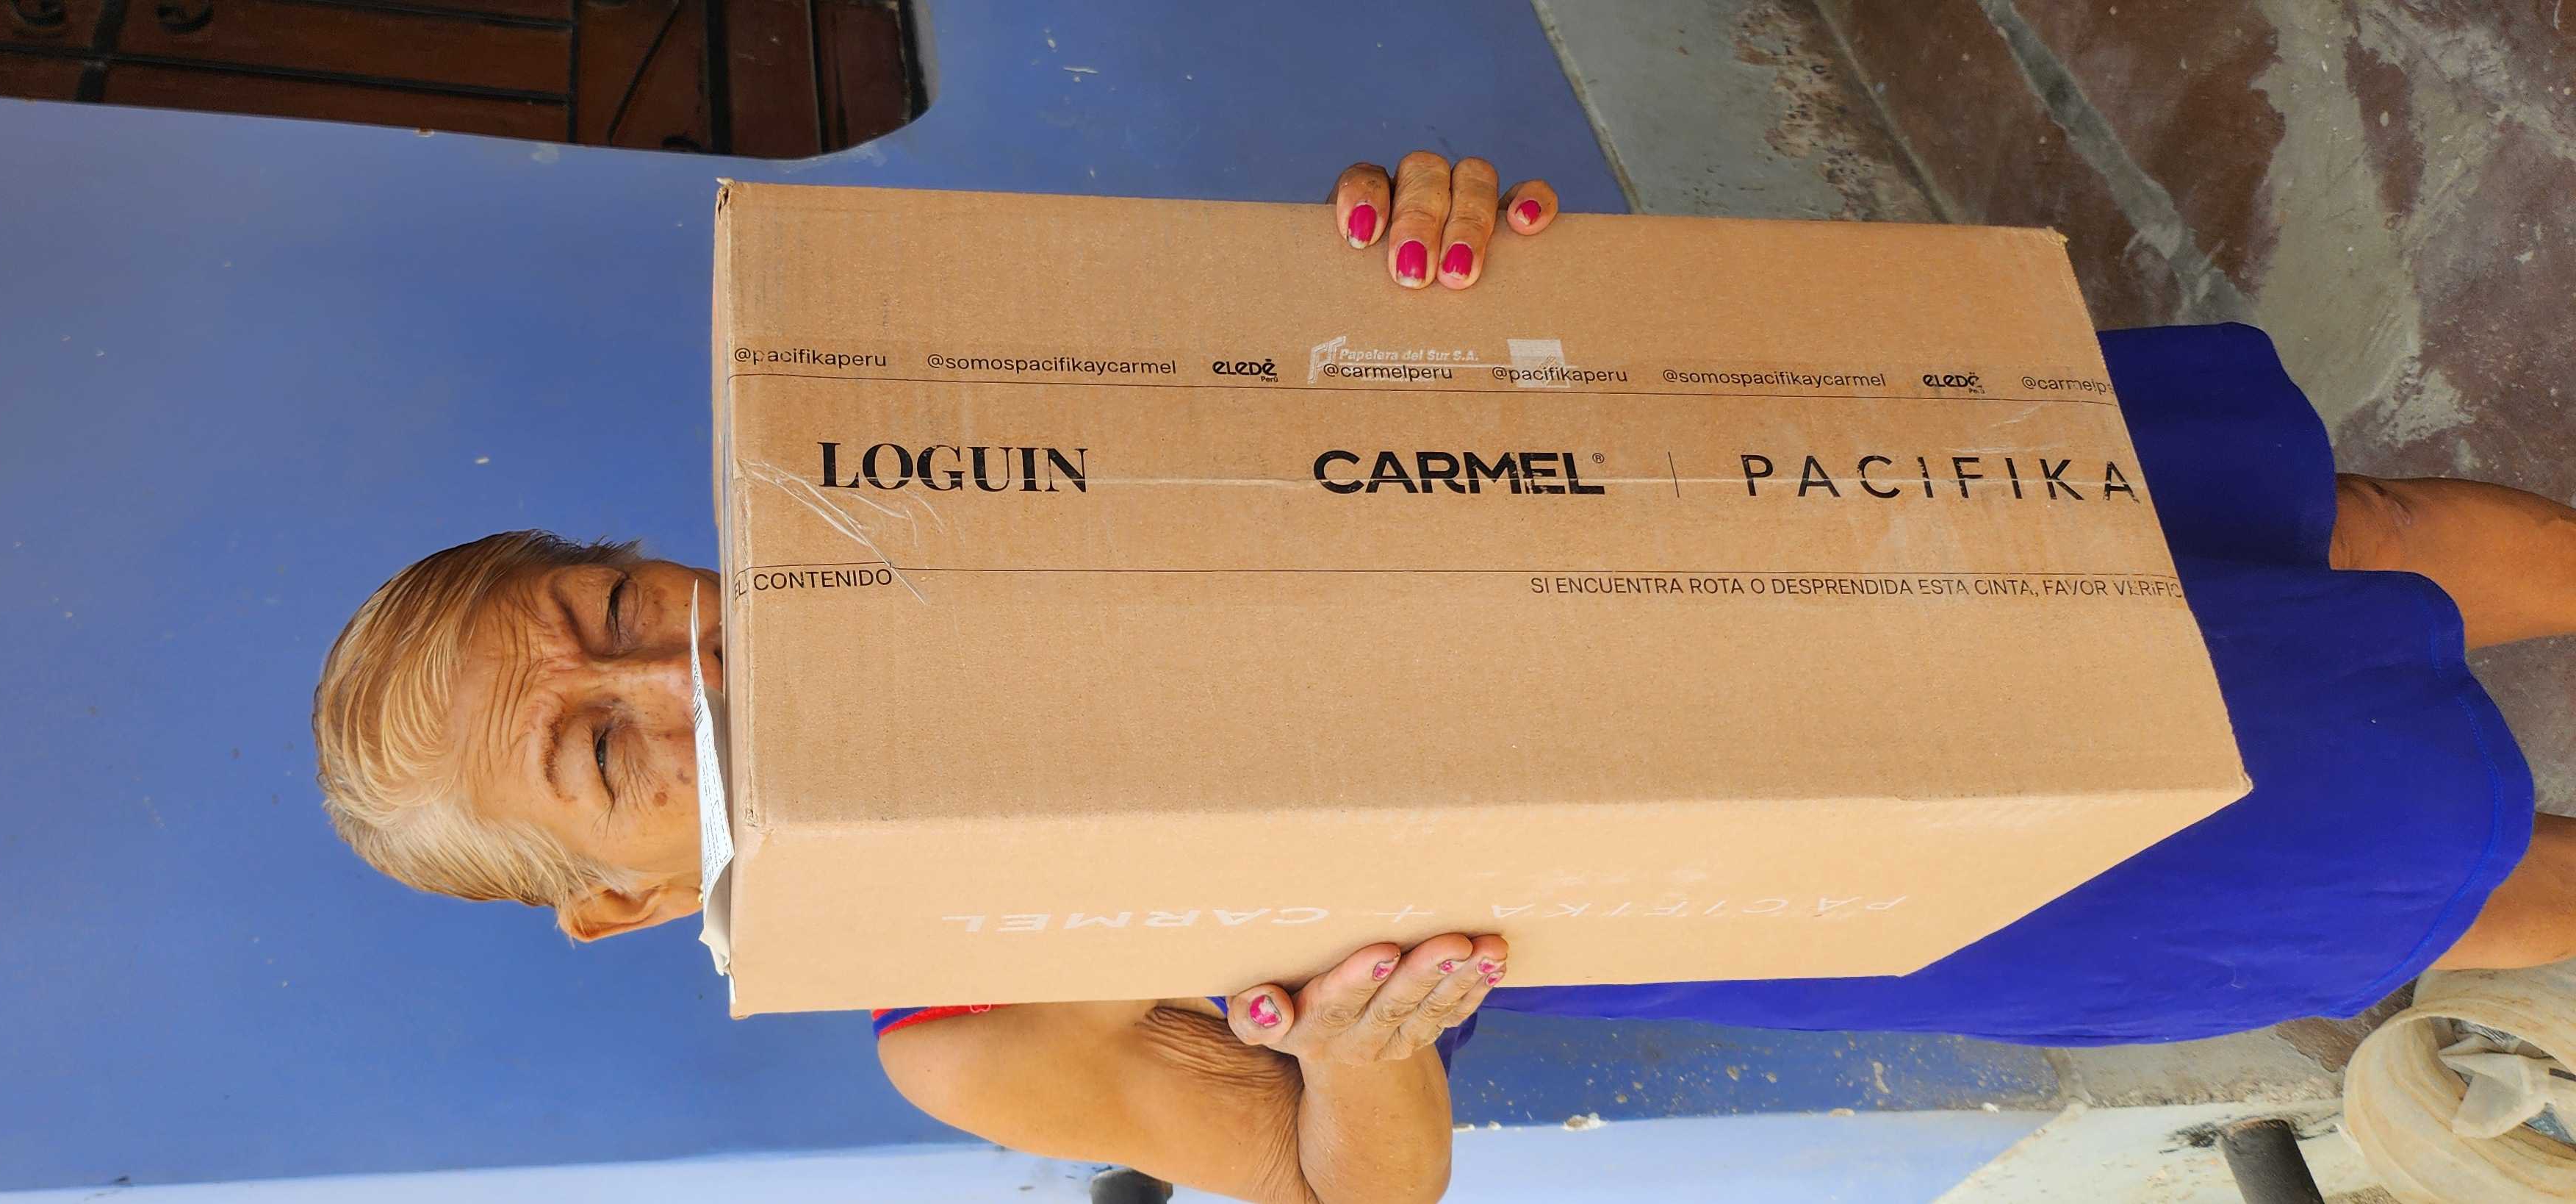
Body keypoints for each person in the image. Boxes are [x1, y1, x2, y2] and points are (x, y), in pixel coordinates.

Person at [312, 154, 2576, 1203]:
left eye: (630, 599)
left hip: (1787, 519)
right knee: (2430, 873)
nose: (692, 660)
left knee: (2344, 531)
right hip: (1850, 839)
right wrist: (1367, 1050)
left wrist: (1426, 268)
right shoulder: (966, 1028)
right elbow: (1344, 1203)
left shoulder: (942, 461)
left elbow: (1320, 388)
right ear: (618, 897)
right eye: (603, 743)